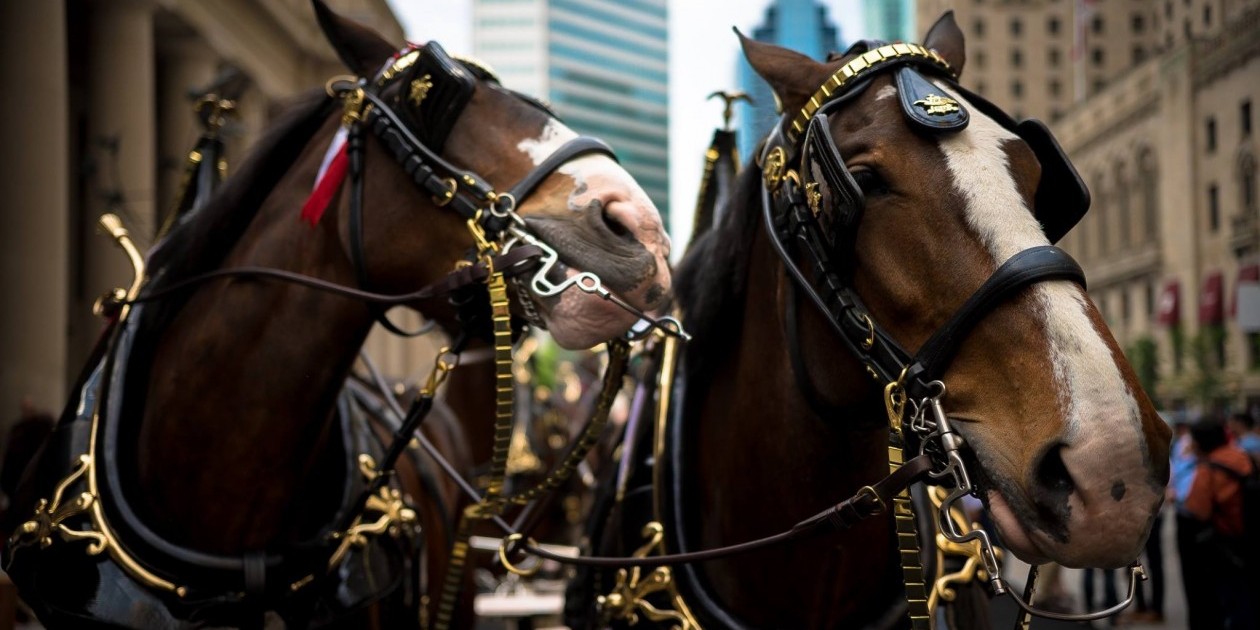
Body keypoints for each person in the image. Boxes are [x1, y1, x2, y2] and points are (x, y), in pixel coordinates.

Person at [1184, 418, 1256, 629]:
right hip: (1249, 538)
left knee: (1227, 600)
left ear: (1200, 442)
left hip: (1224, 546)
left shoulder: (1208, 469)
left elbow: (1197, 509)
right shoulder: (1244, 457)